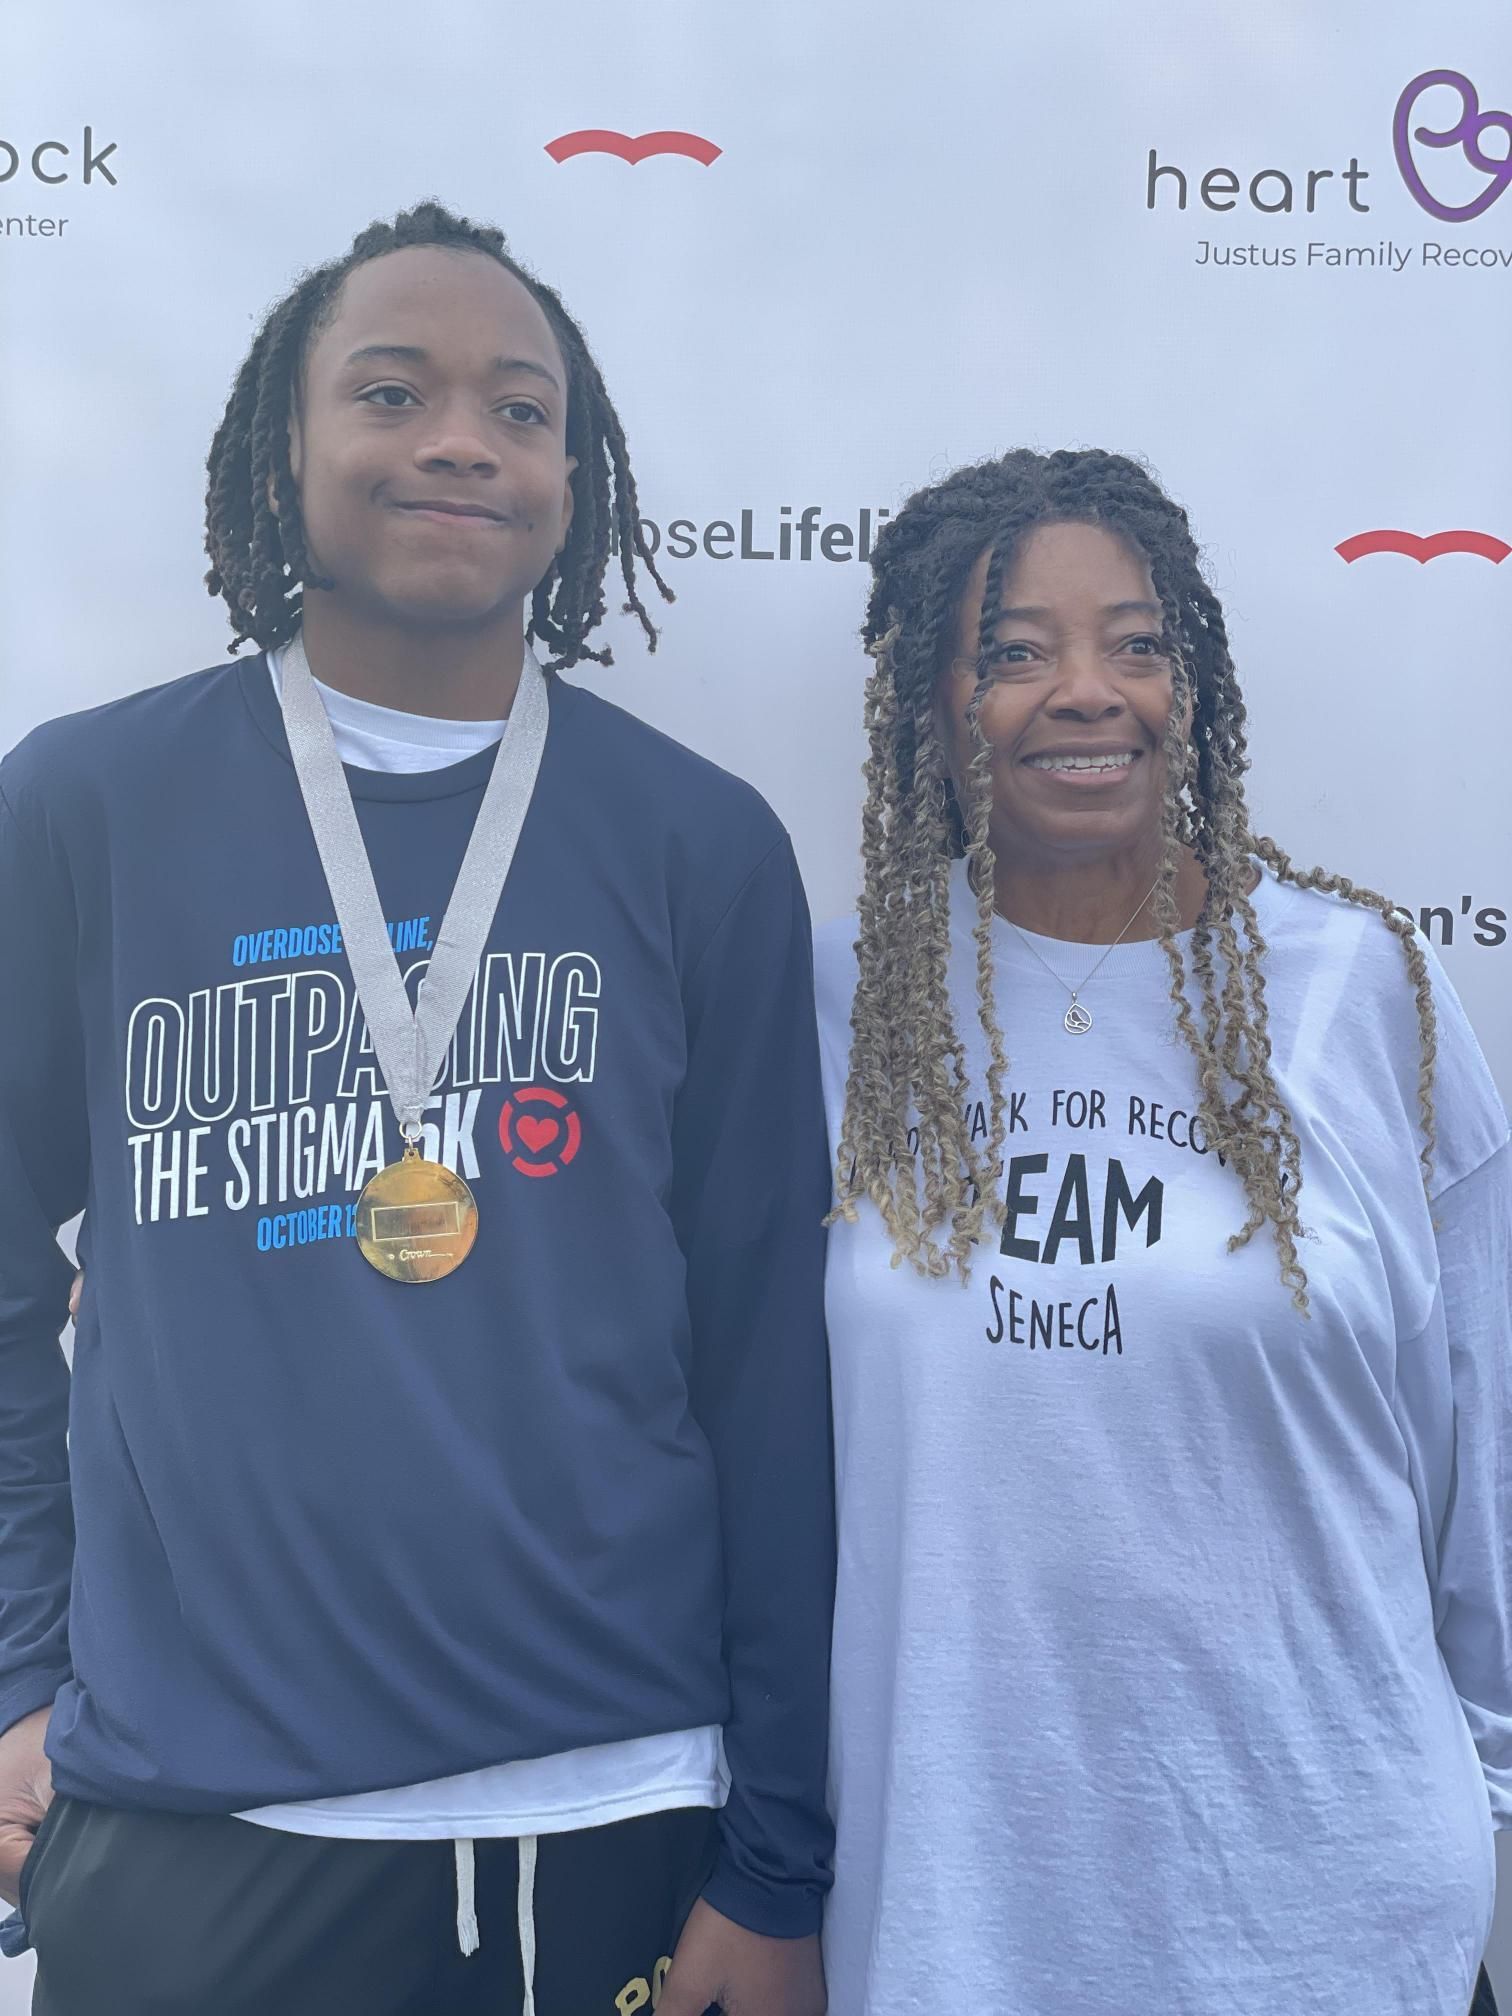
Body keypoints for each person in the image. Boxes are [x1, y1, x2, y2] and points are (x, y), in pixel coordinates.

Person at [0, 202, 832, 2016]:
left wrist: (780, 1852)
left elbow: (768, 1355)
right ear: (280, 453)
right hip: (195, 1821)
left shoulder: (700, 845)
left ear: (576, 476)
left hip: (613, 1804)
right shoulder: (88, 805)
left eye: (522, 410)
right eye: (393, 392)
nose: (463, 437)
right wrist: (15, 1668)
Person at [813, 448, 1510, 2016]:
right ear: (926, 700)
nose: (1088, 691)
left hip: (1327, 1908)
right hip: (957, 1915)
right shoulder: (839, 1008)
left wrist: (1482, 1788)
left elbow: (1492, 1421)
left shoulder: (1356, 990)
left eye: (1139, 644)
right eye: (1013, 650)